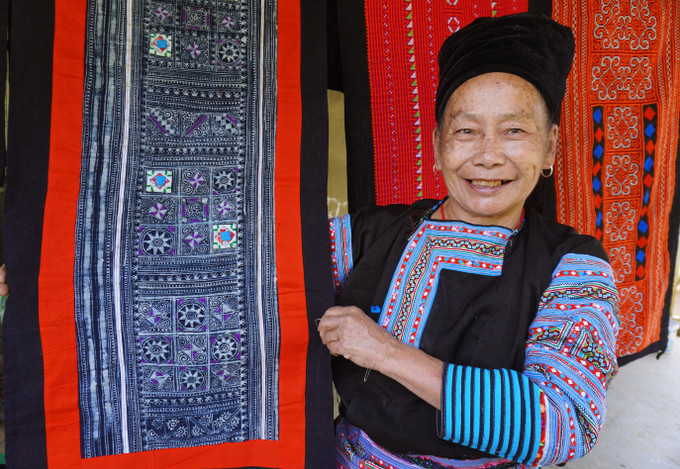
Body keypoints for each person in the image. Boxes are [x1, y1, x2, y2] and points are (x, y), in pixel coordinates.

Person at [318, 13, 619, 469]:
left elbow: (565, 423)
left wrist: (384, 351)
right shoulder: (365, 233)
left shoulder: (573, 264)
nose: (488, 156)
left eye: (514, 130)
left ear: (550, 148)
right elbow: (270, 288)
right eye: (466, 131)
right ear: (439, 146)